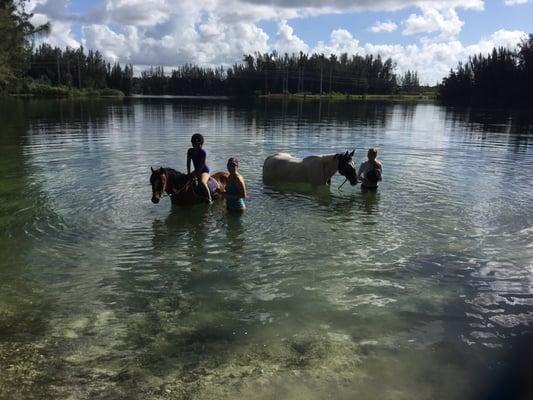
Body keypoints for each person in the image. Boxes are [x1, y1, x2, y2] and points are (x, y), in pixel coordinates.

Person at [187, 133, 211, 203]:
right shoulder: (190, 151)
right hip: (196, 170)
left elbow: (202, 166)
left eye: (198, 144)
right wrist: (188, 173)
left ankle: (209, 199)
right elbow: (188, 163)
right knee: (186, 180)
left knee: (202, 182)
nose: (196, 145)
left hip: (204, 171)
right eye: (194, 143)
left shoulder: (203, 152)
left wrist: (195, 174)